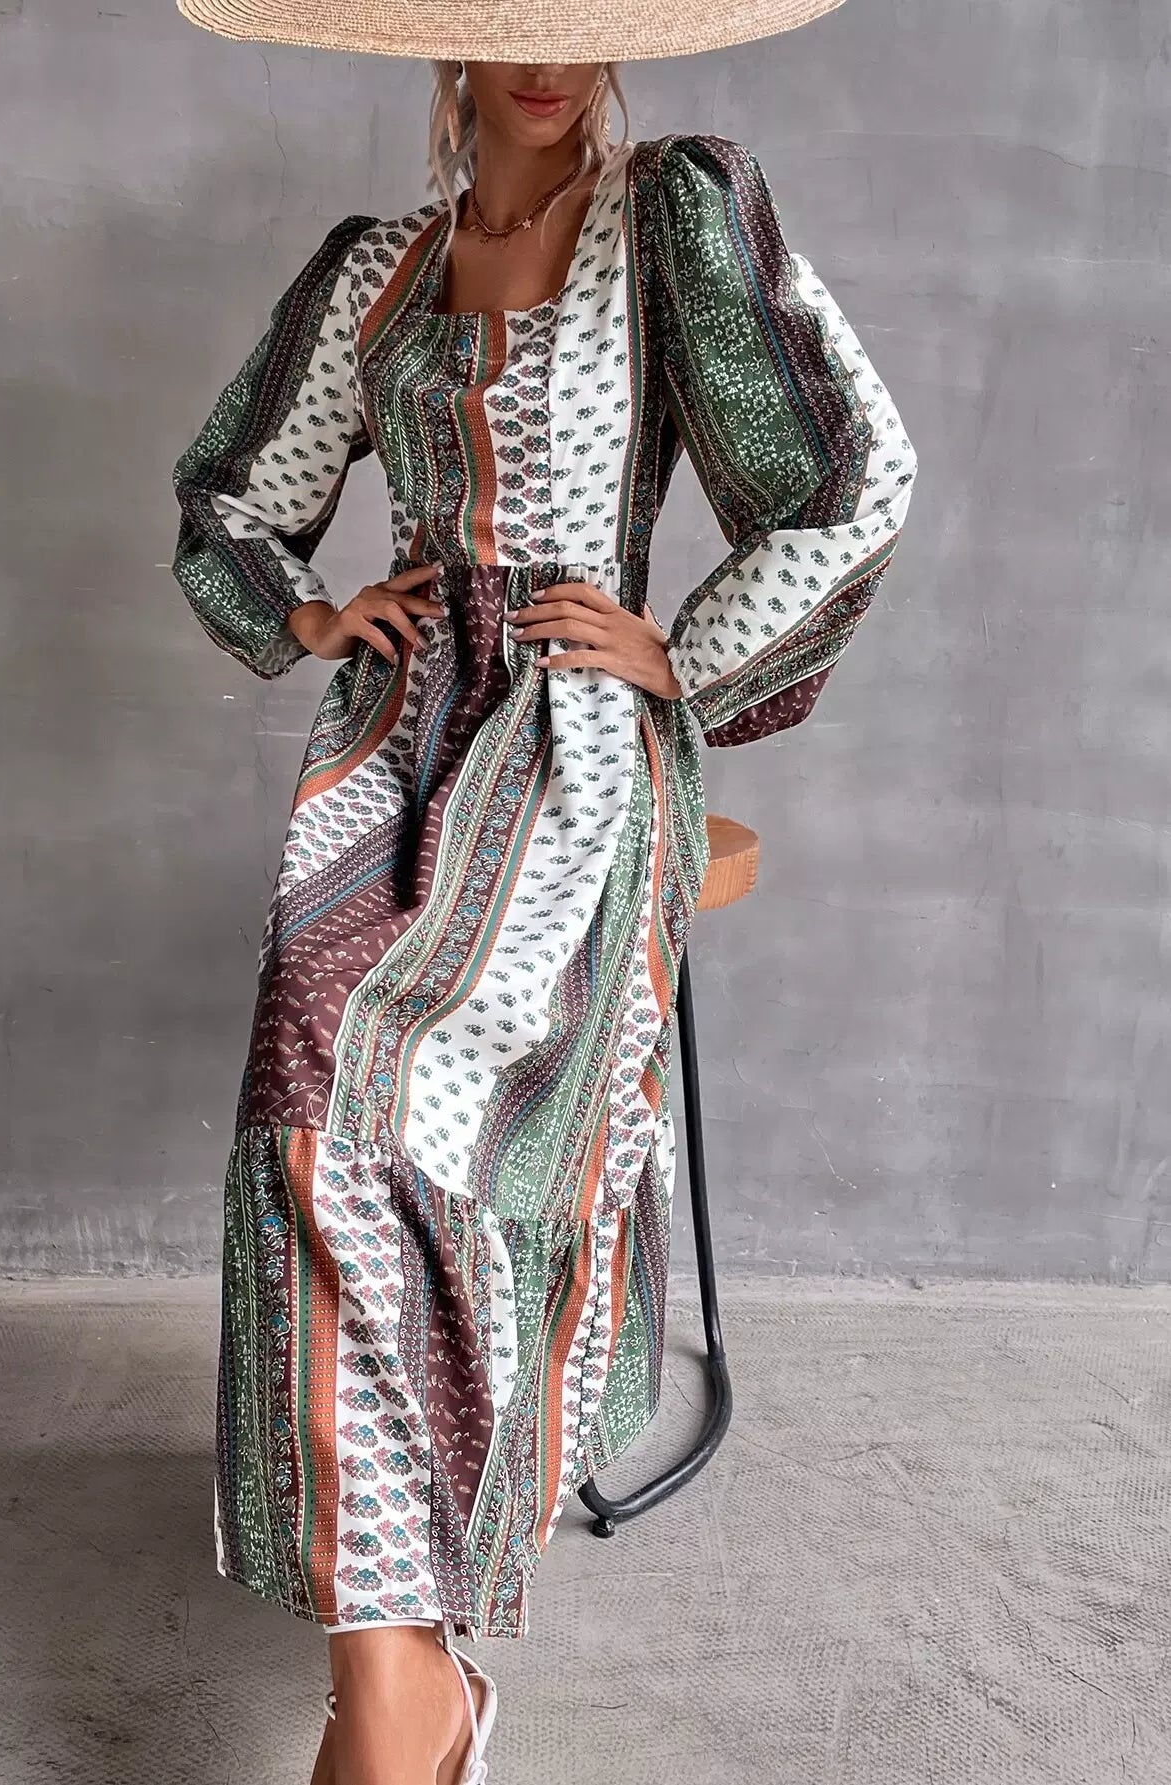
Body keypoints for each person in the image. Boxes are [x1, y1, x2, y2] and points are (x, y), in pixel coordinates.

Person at [170, 13, 916, 1784]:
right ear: (441, 38)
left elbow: (855, 479)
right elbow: (233, 499)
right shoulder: (378, 267)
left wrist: (682, 656)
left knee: (428, 1113)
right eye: (503, 12)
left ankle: (394, 1707)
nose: (544, 51)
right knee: (309, 1104)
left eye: (582, 15)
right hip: (398, 744)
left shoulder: (673, 220)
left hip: (579, 750)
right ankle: (405, 1684)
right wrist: (309, 614)